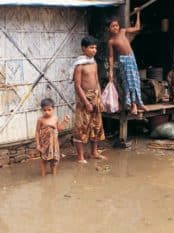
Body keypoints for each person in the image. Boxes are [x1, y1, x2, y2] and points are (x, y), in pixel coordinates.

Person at [72, 36, 106, 164]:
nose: (94, 50)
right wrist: (86, 102)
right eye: (91, 47)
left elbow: (97, 82)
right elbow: (77, 85)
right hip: (84, 99)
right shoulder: (79, 66)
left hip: (95, 97)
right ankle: (80, 156)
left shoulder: (93, 63)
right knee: (81, 127)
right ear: (83, 48)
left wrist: (100, 99)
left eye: (95, 47)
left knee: (96, 125)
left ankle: (94, 152)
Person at [107, 8, 147, 115]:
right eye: (112, 26)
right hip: (123, 61)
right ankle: (132, 105)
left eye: (116, 25)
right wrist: (110, 71)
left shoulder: (123, 31)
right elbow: (111, 57)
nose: (115, 27)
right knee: (128, 83)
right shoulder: (111, 41)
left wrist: (138, 13)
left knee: (136, 81)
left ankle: (140, 103)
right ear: (109, 29)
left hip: (131, 58)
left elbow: (137, 28)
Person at [35, 98, 70, 176]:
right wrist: (37, 144)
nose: (47, 112)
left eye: (49, 110)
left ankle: (54, 175)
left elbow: (59, 128)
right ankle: (43, 176)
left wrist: (65, 122)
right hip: (44, 143)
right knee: (44, 160)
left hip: (54, 144)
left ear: (53, 109)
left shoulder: (55, 118)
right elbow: (37, 132)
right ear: (41, 110)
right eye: (44, 110)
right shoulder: (40, 120)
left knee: (54, 160)